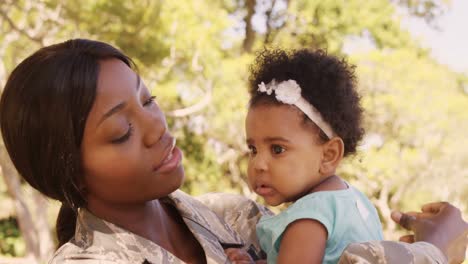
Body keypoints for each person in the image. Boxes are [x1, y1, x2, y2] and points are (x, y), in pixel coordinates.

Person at [0, 39, 465, 264]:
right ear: (73, 173)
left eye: (148, 101)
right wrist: (434, 251)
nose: (156, 128)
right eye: (122, 130)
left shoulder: (231, 218)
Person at [225, 49, 383, 264]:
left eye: (277, 149)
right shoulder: (357, 202)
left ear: (328, 155)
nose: (258, 164)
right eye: (253, 149)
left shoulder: (309, 217)